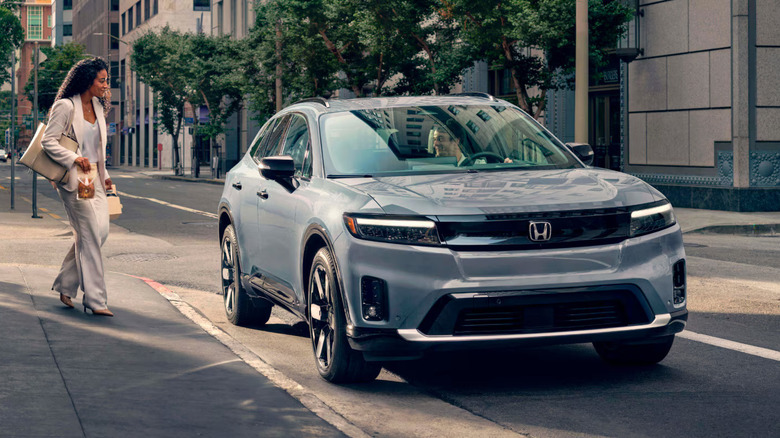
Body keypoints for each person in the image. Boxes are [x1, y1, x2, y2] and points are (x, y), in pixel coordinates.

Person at [42, 57, 114, 317]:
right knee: (90, 234)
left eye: (107, 80)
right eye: (102, 80)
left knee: (99, 233)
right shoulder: (64, 106)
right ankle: (95, 300)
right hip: (75, 177)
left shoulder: (98, 106)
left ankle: (65, 283)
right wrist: (74, 158)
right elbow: (48, 142)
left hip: (93, 177)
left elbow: (97, 148)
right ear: (87, 81)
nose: (106, 85)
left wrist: (105, 176)